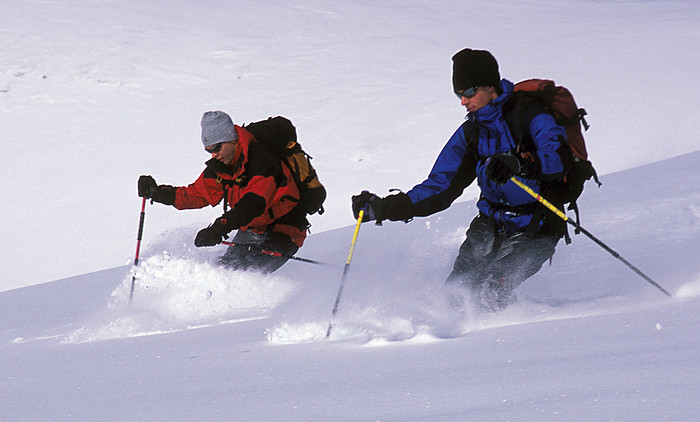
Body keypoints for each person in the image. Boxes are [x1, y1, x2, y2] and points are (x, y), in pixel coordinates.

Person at [351, 48, 576, 311]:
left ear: (491, 87)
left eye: (469, 91)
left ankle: (506, 339)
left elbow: (559, 158)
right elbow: (441, 185)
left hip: (537, 225)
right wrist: (386, 207)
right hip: (489, 224)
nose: (463, 101)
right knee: (456, 294)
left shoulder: (530, 115)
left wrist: (521, 162)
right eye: (459, 94)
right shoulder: (472, 132)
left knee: (490, 291)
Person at [138, 110, 309, 274]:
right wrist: (156, 192)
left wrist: (219, 228)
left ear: (232, 140)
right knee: (223, 272)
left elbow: (253, 203)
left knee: (242, 279)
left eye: (217, 148)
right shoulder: (222, 167)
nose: (214, 155)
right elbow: (197, 195)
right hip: (252, 231)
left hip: (284, 231)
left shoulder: (263, 161)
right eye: (209, 151)